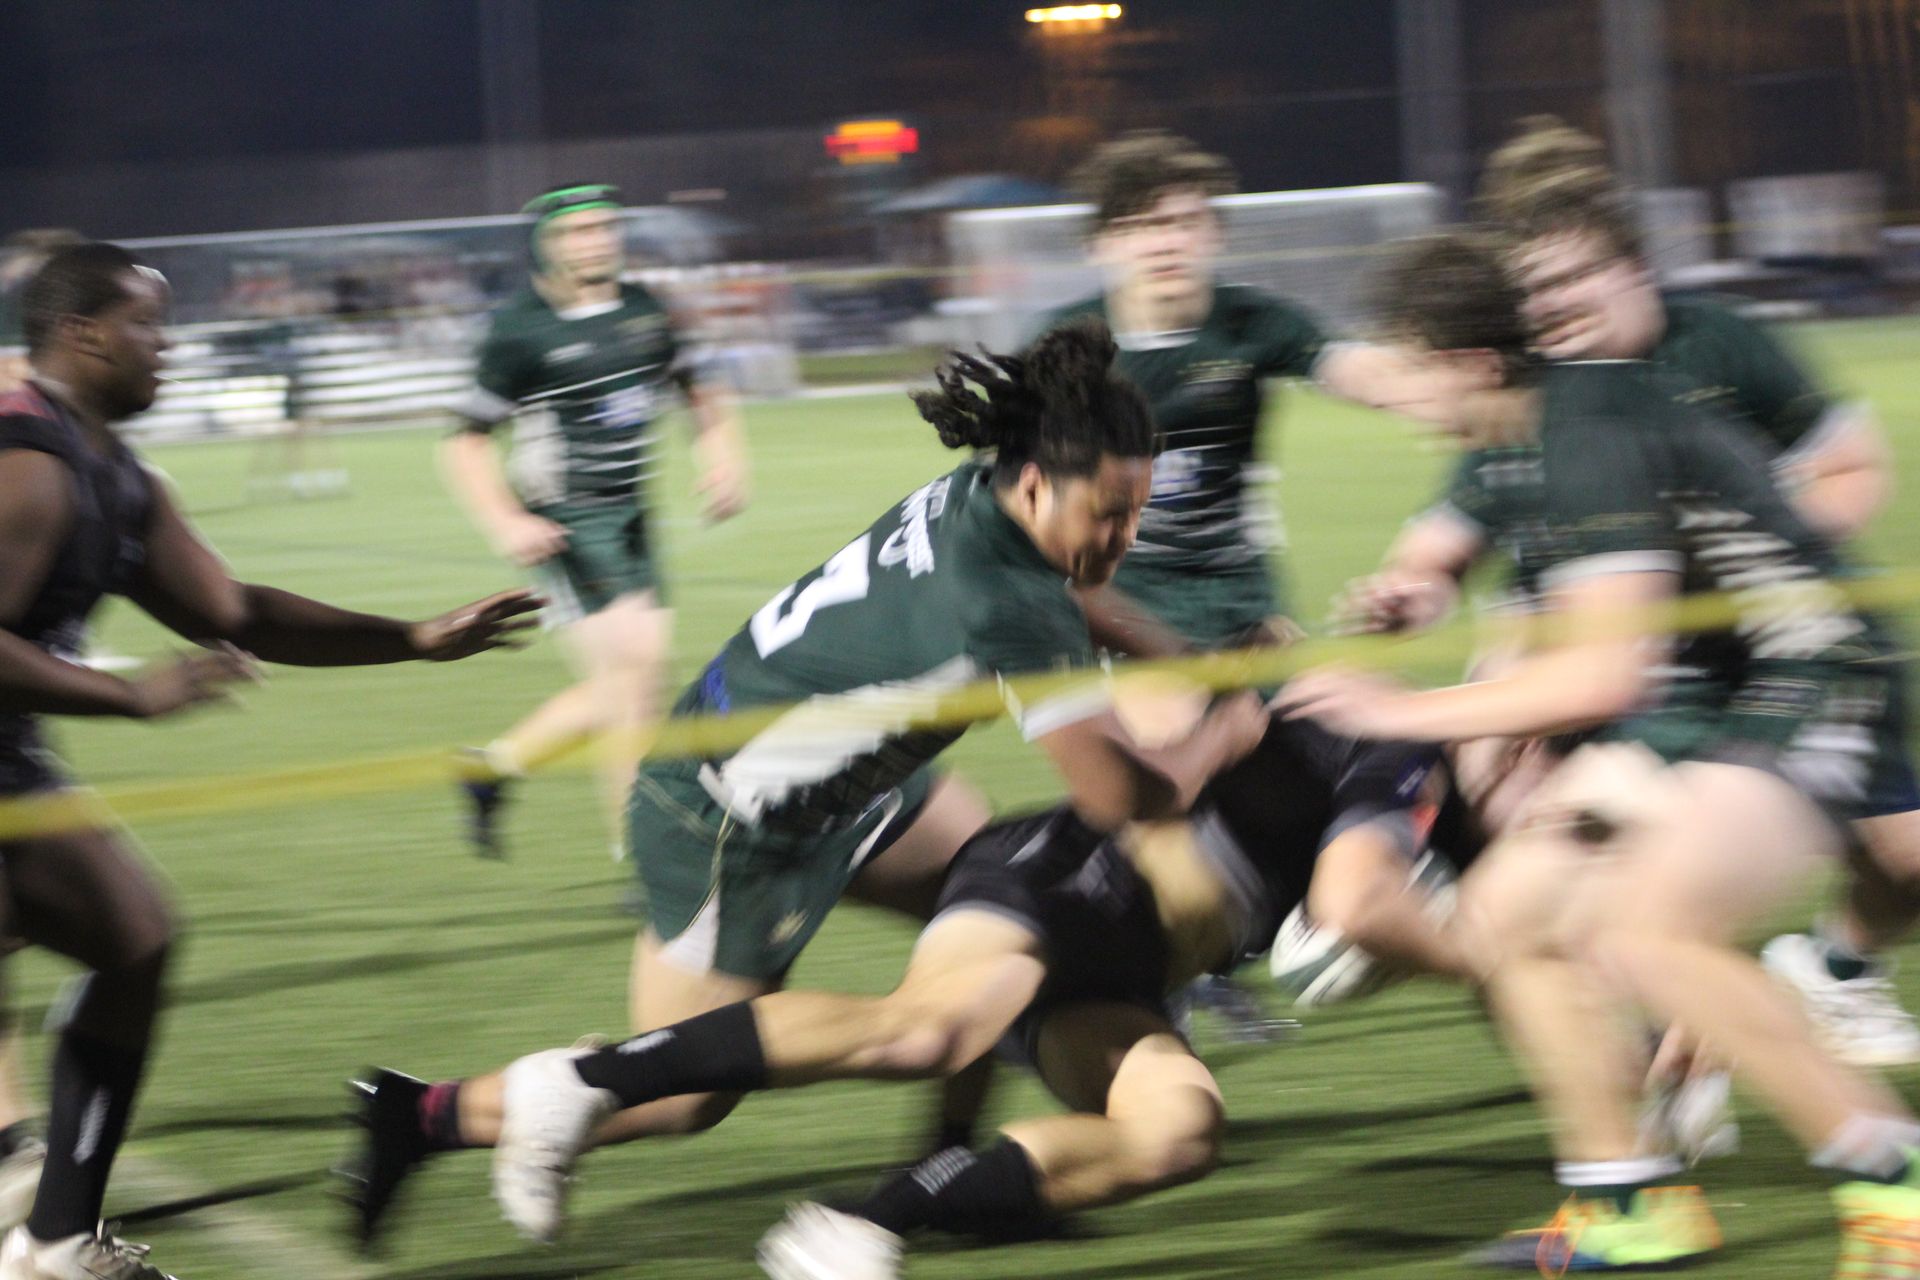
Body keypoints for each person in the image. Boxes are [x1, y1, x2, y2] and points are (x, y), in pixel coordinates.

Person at [342, 320, 1271, 1247]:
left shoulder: (984, 499)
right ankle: (426, 1116)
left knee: (995, 895)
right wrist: (1229, 724)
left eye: (1137, 510)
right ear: (1035, 483)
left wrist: (1196, 661)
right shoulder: (1008, 603)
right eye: (1110, 514)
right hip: (725, 812)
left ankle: (943, 1164)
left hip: (842, 787)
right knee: (688, 1098)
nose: (1126, 534)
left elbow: (1077, 594)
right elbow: (1122, 799)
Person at [1285, 231, 1920, 1273]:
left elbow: (1600, 679)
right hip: (1709, 694)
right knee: (1508, 915)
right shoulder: (1523, 428)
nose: (1385, 389)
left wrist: (1397, 713)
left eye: (1399, 363)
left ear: (1466, 363)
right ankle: (1627, 1199)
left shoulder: (1586, 436)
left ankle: (1894, 1181)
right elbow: (1479, 575)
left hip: (1812, 680)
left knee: (1647, 929)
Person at [351, 690, 1460, 1275]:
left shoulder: (1455, 799)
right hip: (1052, 873)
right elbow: (1334, 872)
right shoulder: (1382, 739)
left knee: (1179, 1127)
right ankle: (576, 1075)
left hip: (1118, 976)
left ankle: (860, 1224)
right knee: (914, 1032)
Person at [0, 241, 540, 1280]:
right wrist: (127, 693)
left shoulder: (117, 474)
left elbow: (234, 610)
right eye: (148, 324)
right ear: (81, 334)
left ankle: (56, 1241)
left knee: (136, 936)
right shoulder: (25, 464)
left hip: (8, 756)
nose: (169, 344)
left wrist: (414, 637)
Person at [1348, 119, 1919, 1067]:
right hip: (1618, 665)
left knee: (1903, 862)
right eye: (1538, 287)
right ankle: (1636, 1060)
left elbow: (1851, 466)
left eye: (1576, 277)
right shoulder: (1544, 392)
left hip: (1774, 652)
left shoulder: (1717, 349)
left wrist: (1751, 567)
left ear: (1637, 267)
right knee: (1542, 828)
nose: (1557, 303)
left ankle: (1826, 976)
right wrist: (1412, 592)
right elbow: (1456, 527)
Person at [444, 183, 750, 858]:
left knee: (635, 684)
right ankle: (642, 860)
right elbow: (464, 442)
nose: (596, 241)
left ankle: (493, 767)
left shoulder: (645, 311)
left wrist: (722, 458)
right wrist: (505, 521)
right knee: (632, 689)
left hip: (634, 517)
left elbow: (700, 389)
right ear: (547, 244)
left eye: (605, 228)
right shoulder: (520, 330)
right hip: (564, 522)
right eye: (578, 232)